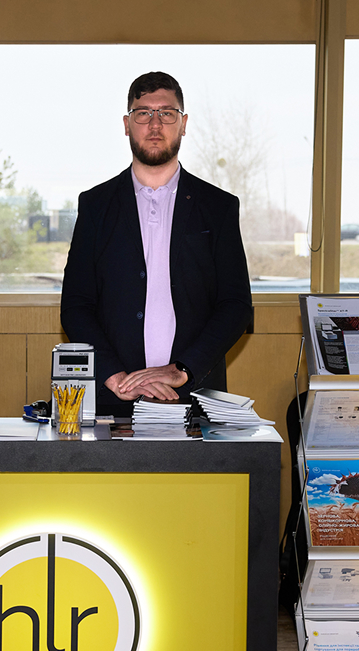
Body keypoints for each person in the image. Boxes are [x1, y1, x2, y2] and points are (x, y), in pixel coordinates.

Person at [60, 71, 252, 416]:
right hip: (114, 399)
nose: (154, 124)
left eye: (166, 113)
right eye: (143, 113)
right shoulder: (95, 205)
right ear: (126, 124)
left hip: (194, 397)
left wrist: (183, 369)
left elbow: (235, 305)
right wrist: (114, 376)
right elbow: (76, 304)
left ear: (183, 124)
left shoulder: (219, 207)